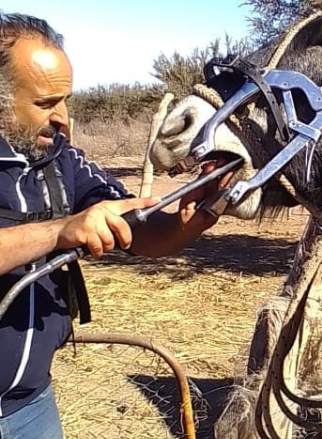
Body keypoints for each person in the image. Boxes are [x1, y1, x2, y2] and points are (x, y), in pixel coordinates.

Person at [0, 12, 229, 438]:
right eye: (46, 104)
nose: (63, 118)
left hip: (30, 406)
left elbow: (133, 226)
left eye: (65, 100)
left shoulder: (60, 160)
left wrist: (199, 211)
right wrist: (58, 230)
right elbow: (69, 228)